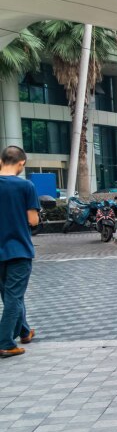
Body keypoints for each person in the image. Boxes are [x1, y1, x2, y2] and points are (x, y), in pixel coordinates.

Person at [0, 146, 39, 358]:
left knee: (10, 295)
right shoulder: (26, 186)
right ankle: (5, 342)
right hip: (18, 250)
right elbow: (33, 220)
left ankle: (24, 331)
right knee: (14, 296)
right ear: (21, 163)